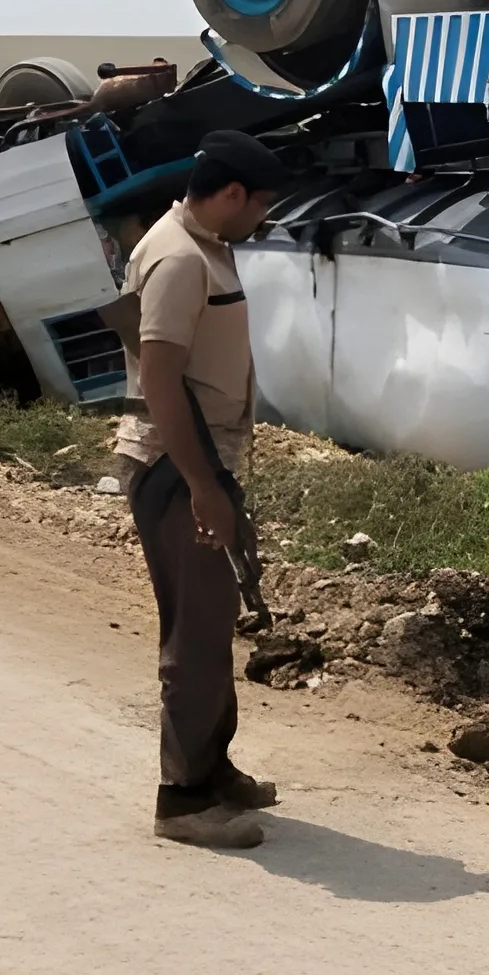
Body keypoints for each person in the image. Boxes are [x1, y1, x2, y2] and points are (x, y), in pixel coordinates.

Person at [111, 131, 287, 849]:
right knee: (198, 631)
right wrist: (202, 486)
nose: (263, 220)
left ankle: (213, 771)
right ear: (231, 194)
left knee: (211, 624)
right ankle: (182, 800)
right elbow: (158, 380)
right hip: (176, 465)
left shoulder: (204, 245)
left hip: (202, 461)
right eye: (261, 205)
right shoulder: (181, 259)